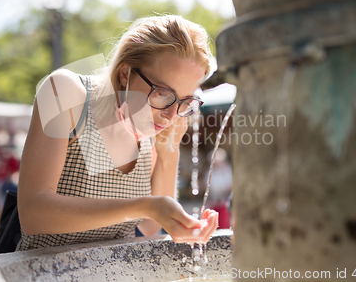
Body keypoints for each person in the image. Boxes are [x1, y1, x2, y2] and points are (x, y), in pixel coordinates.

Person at [16, 15, 219, 251]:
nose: (172, 115)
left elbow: (151, 226)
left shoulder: (151, 126)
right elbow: (33, 215)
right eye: (163, 93)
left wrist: (168, 153)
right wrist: (146, 206)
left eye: (186, 101)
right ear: (125, 74)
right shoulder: (68, 92)